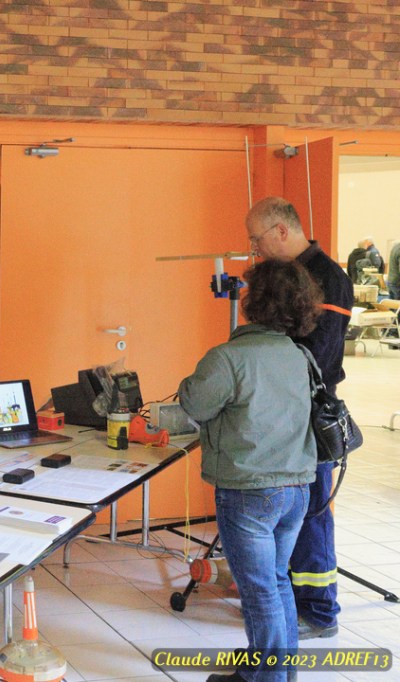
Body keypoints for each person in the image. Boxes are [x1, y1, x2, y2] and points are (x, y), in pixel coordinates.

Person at [180, 259, 321, 682]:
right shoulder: (299, 355)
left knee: (260, 593)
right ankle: (275, 674)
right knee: (277, 582)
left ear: (253, 301)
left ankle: (269, 678)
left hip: (249, 491)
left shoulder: (229, 357)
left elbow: (195, 403)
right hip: (297, 488)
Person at [245, 196, 353, 641]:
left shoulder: (329, 279)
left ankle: (319, 610)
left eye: (256, 239)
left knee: (311, 514)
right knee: (288, 515)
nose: (254, 249)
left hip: (309, 414)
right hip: (282, 411)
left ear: (281, 231)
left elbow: (317, 357)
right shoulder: (287, 274)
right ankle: (284, 601)